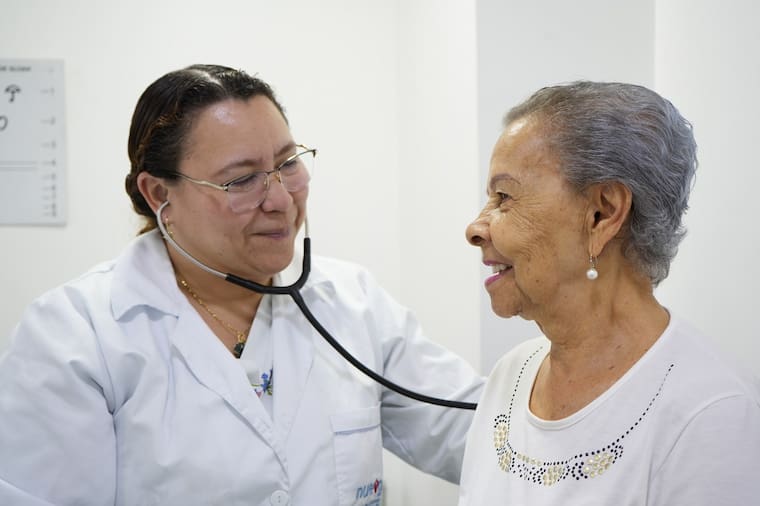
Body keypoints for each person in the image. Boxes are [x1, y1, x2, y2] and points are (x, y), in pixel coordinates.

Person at [0, 64, 483, 506]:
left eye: (288, 163)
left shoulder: (353, 303)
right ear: (160, 194)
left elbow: (476, 431)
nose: (280, 200)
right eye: (242, 179)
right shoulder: (75, 337)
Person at [458, 81, 760, 505]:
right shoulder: (511, 376)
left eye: (504, 197)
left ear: (603, 213)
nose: (475, 228)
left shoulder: (712, 414)